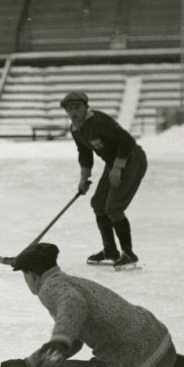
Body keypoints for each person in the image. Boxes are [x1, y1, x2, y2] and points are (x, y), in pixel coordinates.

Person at [0, 242, 184, 367]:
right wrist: (28, 361)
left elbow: (73, 305)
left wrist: (48, 353)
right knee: (132, 347)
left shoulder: (50, 288)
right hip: (164, 349)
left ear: (32, 275)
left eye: (24, 276)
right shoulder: (72, 281)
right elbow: (75, 337)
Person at [61, 91, 148, 270]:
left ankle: (129, 254)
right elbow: (85, 153)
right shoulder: (75, 129)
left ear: (86, 107)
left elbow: (126, 140)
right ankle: (110, 251)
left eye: (77, 107)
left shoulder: (98, 121)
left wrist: (117, 167)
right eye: (69, 109)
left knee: (114, 208)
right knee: (99, 204)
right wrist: (84, 178)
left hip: (132, 159)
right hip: (113, 162)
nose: (73, 112)